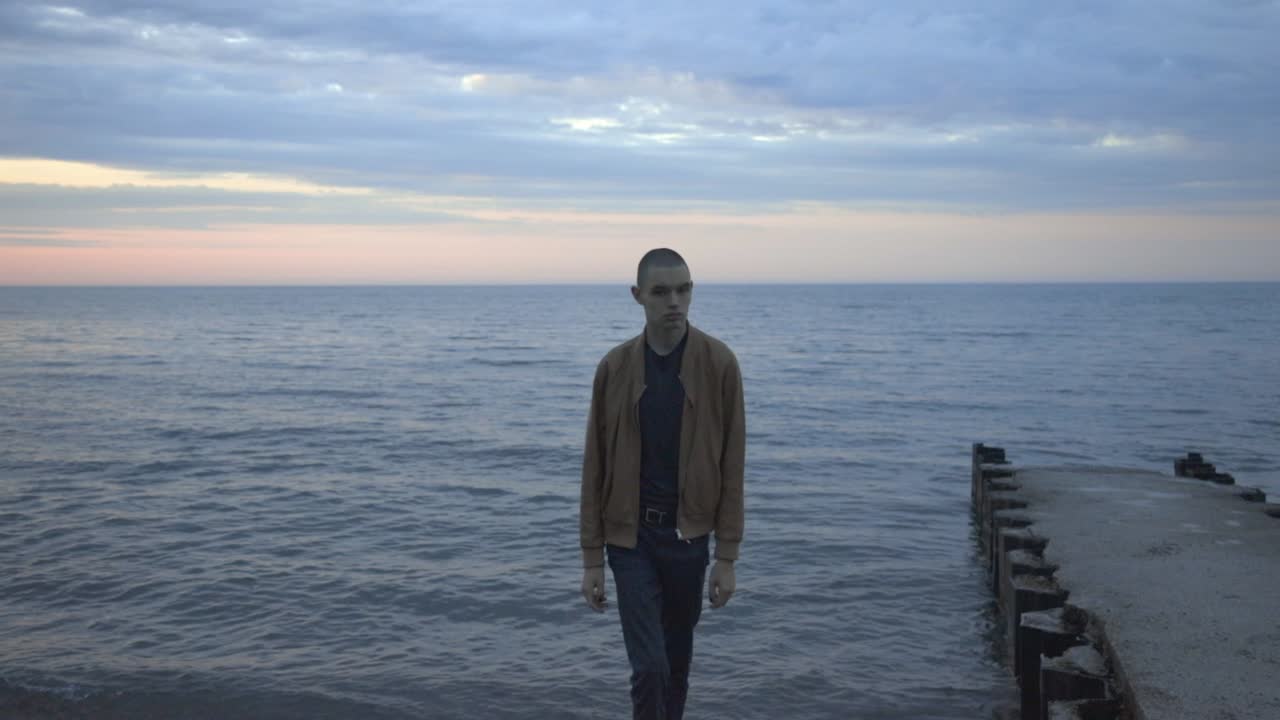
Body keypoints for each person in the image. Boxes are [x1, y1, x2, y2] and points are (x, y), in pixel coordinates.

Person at [579, 248, 746, 720]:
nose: (675, 301)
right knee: (649, 668)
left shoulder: (719, 366)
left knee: (676, 664)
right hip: (630, 541)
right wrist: (592, 560)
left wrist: (727, 557)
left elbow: (733, 466)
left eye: (684, 289)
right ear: (638, 296)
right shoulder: (614, 369)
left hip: (689, 541)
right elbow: (595, 466)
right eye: (661, 291)